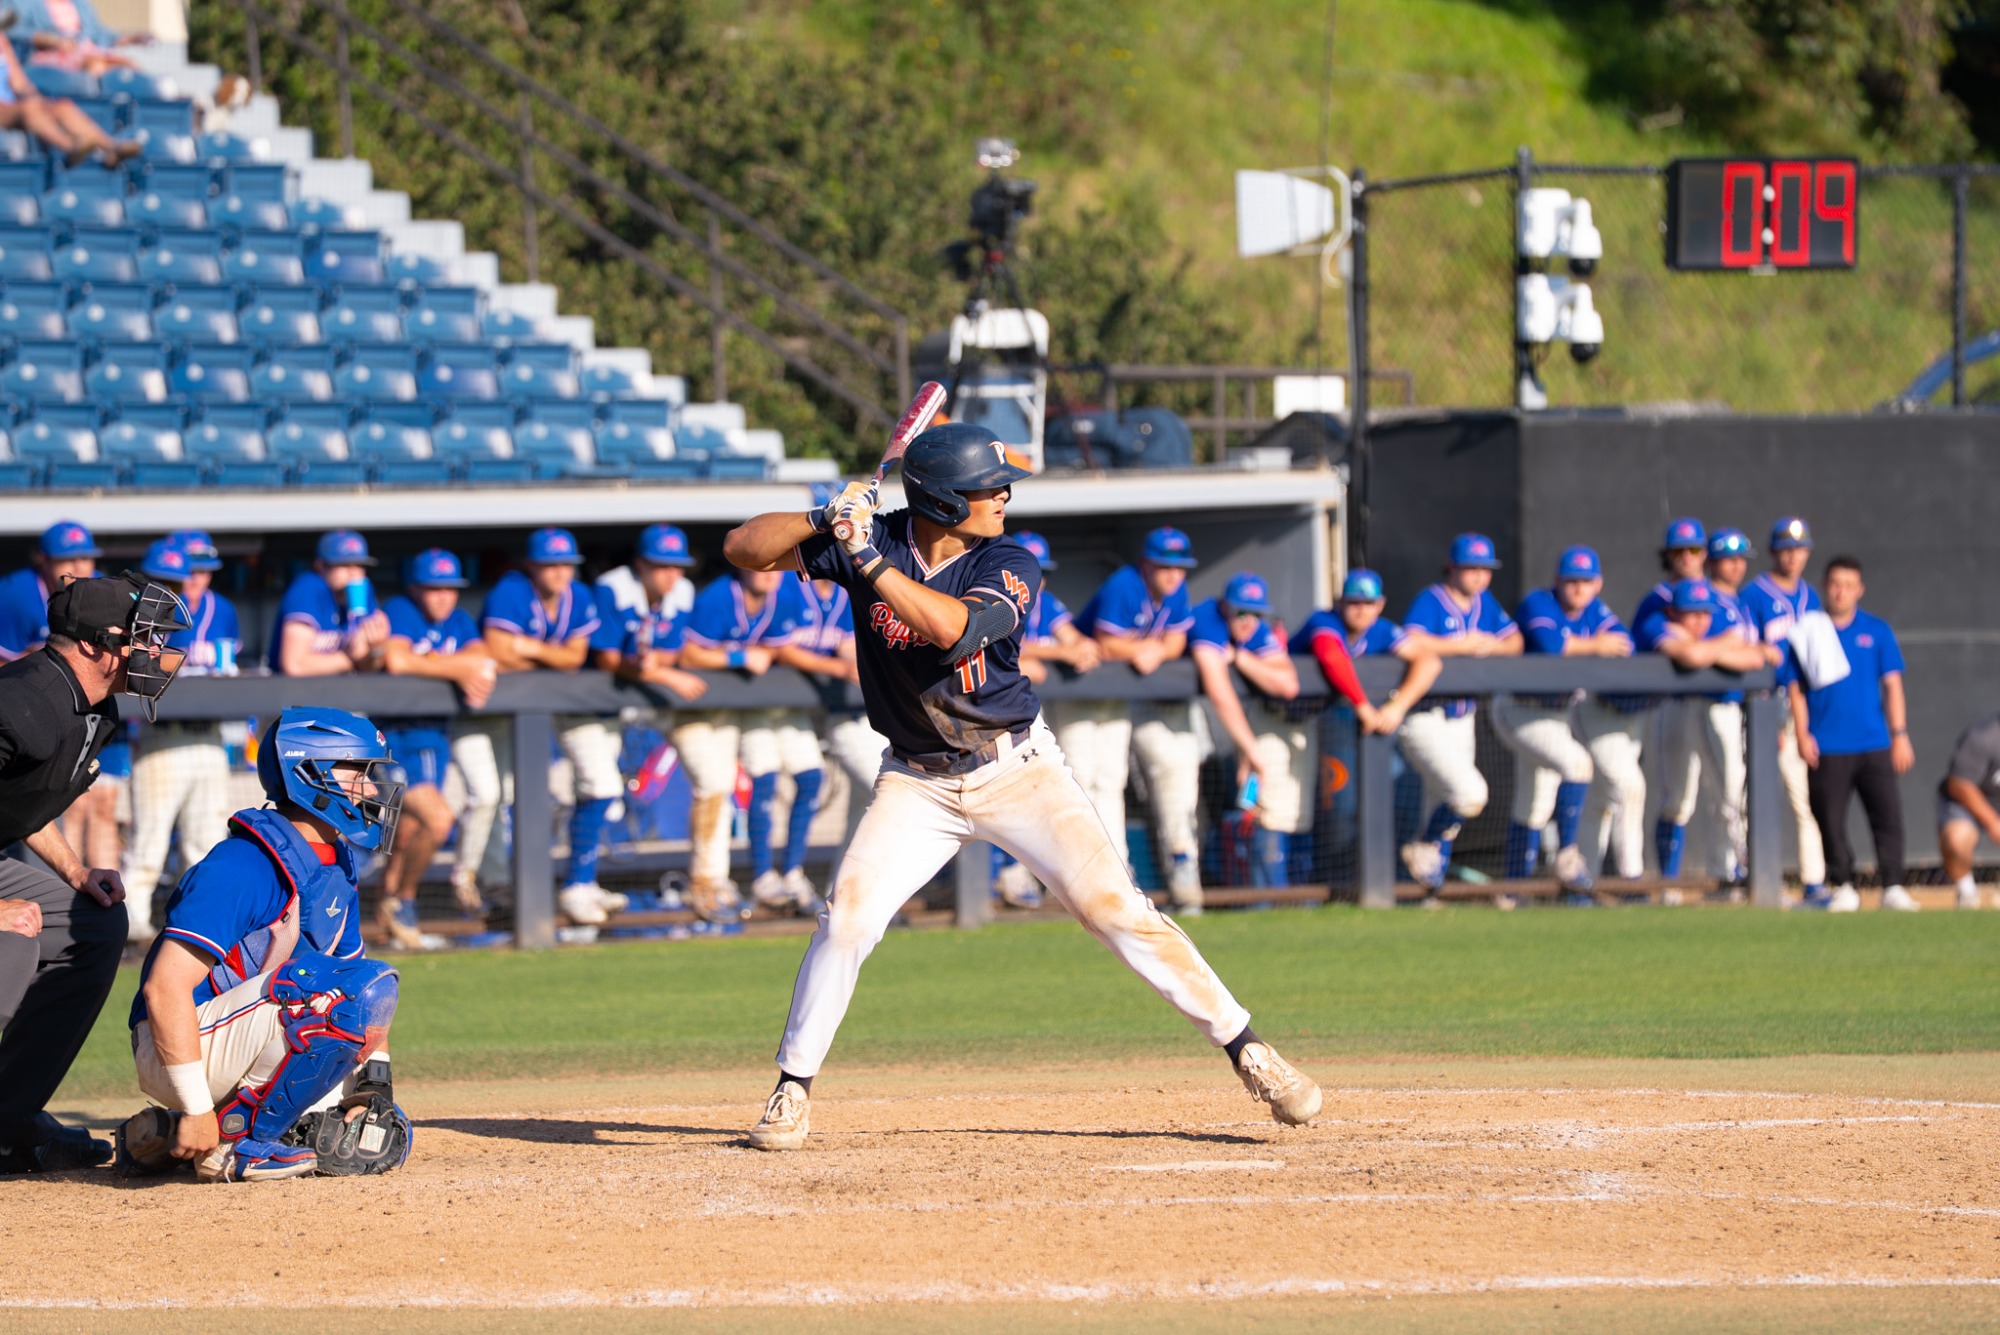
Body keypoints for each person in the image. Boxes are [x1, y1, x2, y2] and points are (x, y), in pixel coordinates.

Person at [720, 423, 1321, 1152]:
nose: (1003, 496)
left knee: (1117, 911)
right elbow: (742, 548)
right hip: (916, 781)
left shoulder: (1008, 560)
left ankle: (1249, 1050)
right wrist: (824, 517)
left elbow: (951, 629)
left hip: (1018, 770)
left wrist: (864, 557)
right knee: (845, 917)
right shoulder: (875, 536)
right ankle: (792, 1089)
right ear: (943, 501)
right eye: (988, 488)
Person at [116, 707, 410, 1183]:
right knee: (328, 995)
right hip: (175, 1044)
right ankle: (238, 1144)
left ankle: (164, 1137)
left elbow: (359, 983)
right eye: (357, 772)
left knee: (342, 1124)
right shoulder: (242, 864)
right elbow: (164, 989)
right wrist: (195, 1104)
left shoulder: (334, 862)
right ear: (307, 773)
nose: (372, 790)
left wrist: (374, 1090)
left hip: (239, 1034)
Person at [0, 570, 187, 1173]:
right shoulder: (22, 702)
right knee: (12, 940)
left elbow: (20, 805)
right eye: (141, 637)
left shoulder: (91, 704)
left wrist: (75, 872)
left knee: (94, 924)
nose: (155, 651)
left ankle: (8, 1120)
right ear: (92, 644)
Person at [481, 528, 626, 928]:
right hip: (495, 704)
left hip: (561, 701)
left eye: (566, 564)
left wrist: (525, 647)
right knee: (496, 795)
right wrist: (547, 655)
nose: (560, 572)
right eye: (550, 564)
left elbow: (574, 658)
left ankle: (580, 883)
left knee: (603, 785)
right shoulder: (512, 590)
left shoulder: (578, 594)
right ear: (532, 566)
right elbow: (497, 652)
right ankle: (494, 884)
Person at [672, 566, 811, 920]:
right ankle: (703, 883)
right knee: (712, 786)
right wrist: (738, 657)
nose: (769, 574)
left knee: (720, 790)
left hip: (727, 708)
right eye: (759, 566)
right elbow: (687, 655)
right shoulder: (719, 596)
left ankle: (714, 881)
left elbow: (778, 647)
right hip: (686, 705)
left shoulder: (780, 597)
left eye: (775, 566)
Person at [1077, 527, 1203, 912]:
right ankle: (1104, 879)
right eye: (1165, 566)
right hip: (1082, 693)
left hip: (1131, 696)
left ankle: (1179, 871)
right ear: (1147, 564)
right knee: (1091, 780)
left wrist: (1157, 651)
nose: (1173, 574)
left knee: (1170, 769)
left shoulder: (1176, 589)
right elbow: (1107, 642)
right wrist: (1146, 647)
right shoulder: (1124, 584)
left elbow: (1177, 640)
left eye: (1179, 567)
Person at [124, 533, 240, 945]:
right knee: (149, 843)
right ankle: (131, 930)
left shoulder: (222, 609)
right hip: (162, 738)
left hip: (208, 736)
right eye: (190, 571)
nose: (196, 580)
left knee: (206, 843)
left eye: (204, 571)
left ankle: (197, 930)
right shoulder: (145, 609)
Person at [1493, 546, 1631, 892]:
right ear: (1557, 581)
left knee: (1534, 803)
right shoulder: (1539, 602)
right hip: (1519, 708)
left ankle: (1513, 891)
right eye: (1571, 581)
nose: (1579, 588)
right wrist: (1595, 645)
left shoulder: (1595, 610)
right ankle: (1567, 854)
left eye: (1586, 581)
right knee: (1577, 764)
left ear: (1598, 584)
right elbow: (1550, 643)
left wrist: (1589, 643)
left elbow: (1625, 643)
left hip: (1556, 713)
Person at [378, 549, 496, 949]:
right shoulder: (401, 609)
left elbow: (483, 660)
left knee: (408, 830)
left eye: (450, 588)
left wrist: (429, 661)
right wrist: (456, 667)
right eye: (434, 588)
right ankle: (405, 901)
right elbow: (396, 660)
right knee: (438, 819)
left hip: (434, 736)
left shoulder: (459, 620)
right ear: (415, 588)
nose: (444, 597)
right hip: (394, 737)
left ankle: (389, 918)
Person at [1396, 534, 1522, 899]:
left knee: (1443, 803)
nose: (1479, 575)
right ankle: (1423, 844)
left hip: (1462, 716)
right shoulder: (1432, 599)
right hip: (1426, 716)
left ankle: (1427, 894)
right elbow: (1410, 640)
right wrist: (1460, 646)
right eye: (1471, 568)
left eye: (1485, 569)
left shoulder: (1485, 602)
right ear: (1451, 569)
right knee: (1469, 794)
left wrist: (1492, 646)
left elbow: (1515, 643)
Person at [1787, 556, 1915, 913]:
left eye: (1848, 585)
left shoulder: (1877, 631)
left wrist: (1900, 734)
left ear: (1859, 590)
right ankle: (1843, 885)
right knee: (1828, 819)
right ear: (1824, 587)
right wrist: (1802, 734)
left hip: (1874, 742)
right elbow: (1795, 688)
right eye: (1834, 584)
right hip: (1827, 745)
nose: (1840, 592)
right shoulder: (1809, 631)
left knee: (1887, 817)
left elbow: (1893, 685)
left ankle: (1893, 886)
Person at [1648, 529, 1776, 884]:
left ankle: (1729, 872)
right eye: (1726, 559)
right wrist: (1728, 646)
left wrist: (1722, 650)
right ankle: (1669, 883)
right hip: (1681, 705)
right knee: (1678, 799)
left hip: (1728, 707)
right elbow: (1692, 653)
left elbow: (1754, 657)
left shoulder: (1736, 602)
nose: (1735, 566)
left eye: (1740, 560)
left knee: (1732, 794)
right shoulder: (1670, 598)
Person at [994, 531, 1099, 909]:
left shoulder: (1046, 602)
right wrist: (1051, 655)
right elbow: (999, 650)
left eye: (1043, 572)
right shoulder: (994, 596)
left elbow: (1075, 642)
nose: (1037, 579)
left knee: (1034, 790)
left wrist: (1079, 649)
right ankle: (999, 875)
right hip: (983, 718)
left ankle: (1018, 872)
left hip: (1022, 717)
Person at [1190, 572, 1303, 887]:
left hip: (1222, 733)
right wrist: (1252, 750)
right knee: (1190, 813)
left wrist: (1241, 657)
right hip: (1176, 720)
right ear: (1225, 606)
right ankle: (1195, 895)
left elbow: (1288, 684)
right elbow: (1219, 691)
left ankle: (1232, 891)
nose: (1248, 621)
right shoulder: (1206, 618)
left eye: (1255, 613)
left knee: (1232, 812)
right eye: (1241, 612)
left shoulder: (1252, 629)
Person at [1740, 517, 1826, 899]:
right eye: (1786, 549)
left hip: (1801, 709)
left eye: (1799, 549)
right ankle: (1749, 878)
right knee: (1749, 800)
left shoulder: (1812, 598)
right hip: (1762, 706)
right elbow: (1745, 650)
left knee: (1805, 799)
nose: (1793, 556)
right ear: (1774, 552)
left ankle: (1814, 882)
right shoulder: (1754, 594)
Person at [1287, 569, 1441, 728]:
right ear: (1339, 603)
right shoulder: (1323, 620)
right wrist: (1363, 707)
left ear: (1380, 605)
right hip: (1281, 711)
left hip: (1317, 717)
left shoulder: (1381, 629)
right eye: (1354, 603)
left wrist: (1397, 707)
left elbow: (1429, 661)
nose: (1361, 610)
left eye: (1369, 603)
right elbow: (1331, 656)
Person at [0, 28, 138, 166]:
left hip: (12, 105)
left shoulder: (2, 41)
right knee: (30, 110)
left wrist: (37, 98)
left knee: (63, 106)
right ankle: (71, 147)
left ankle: (111, 148)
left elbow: (19, 83)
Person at [268, 529, 391, 678]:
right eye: (344, 564)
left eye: (360, 565)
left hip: (341, 689)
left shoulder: (363, 592)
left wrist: (376, 650)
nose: (354, 572)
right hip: (293, 690)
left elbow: (368, 669)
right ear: (320, 566)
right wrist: (350, 659)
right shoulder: (308, 588)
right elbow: (295, 666)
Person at [0, 519, 99, 661]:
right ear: (44, 560)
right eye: (68, 559)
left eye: (85, 558)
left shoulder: (104, 590)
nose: (79, 567)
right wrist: (26, 662)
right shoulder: (14, 596)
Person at [1937, 713, 2000, 911]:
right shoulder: (1984, 737)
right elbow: (1959, 785)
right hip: (1968, 802)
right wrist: (1993, 822)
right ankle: (1967, 892)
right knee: (1957, 839)